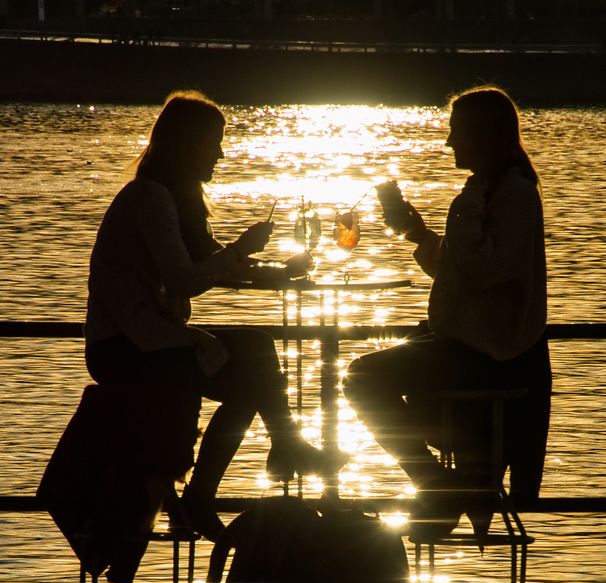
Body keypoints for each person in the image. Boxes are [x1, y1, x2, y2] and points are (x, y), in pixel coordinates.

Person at [85, 90, 338, 542]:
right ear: (186, 145)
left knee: (252, 380)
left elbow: (209, 265)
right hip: (125, 347)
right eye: (213, 143)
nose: (220, 154)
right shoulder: (150, 197)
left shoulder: (173, 199)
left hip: (149, 340)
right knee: (257, 352)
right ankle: (280, 449)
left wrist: (279, 271)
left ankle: (233, 477)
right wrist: (241, 249)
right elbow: (185, 279)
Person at [344, 86, 550, 542]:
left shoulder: (508, 194)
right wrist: (417, 231)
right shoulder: (492, 192)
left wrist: (469, 201)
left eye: (456, 132)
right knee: (366, 376)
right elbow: (464, 267)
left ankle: (433, 480)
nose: (448, 143)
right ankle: (439, 479)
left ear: (482, 135)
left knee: (360, 378)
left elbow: (484, 269)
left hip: (486, 356)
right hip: (469, 348)